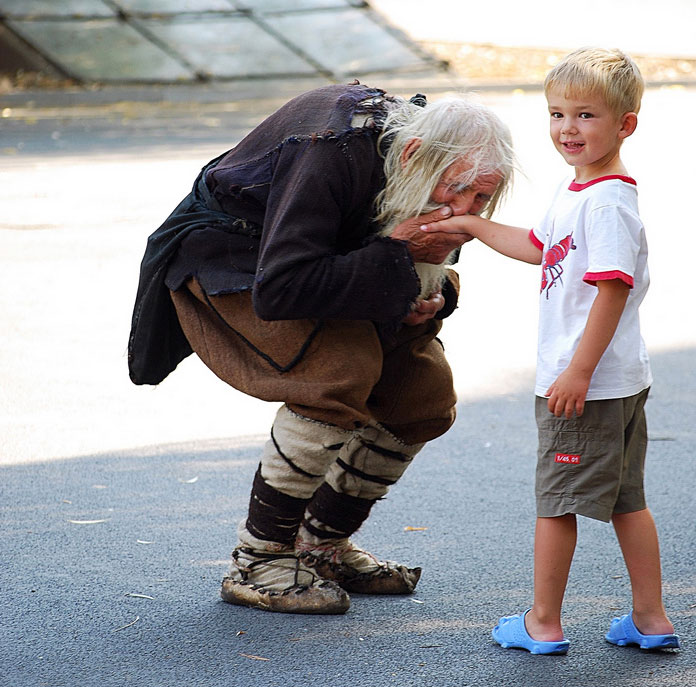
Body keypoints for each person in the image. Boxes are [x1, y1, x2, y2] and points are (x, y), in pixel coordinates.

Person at [128, 82, 515, 614]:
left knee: (422, 395)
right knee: (337, 372)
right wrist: (396, 264)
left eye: (481, 198)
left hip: (325, 263)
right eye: (458, 190)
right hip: (236, 258)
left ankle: (322, 547)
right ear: (413, 155)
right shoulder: (331, 147)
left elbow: (411, 251)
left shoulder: (423, 161)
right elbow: (283, 287)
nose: (465, 213)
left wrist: (433, 293)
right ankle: (258, 561)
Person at [421, 48, 680, 653]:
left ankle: (543, 622)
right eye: (557, 113)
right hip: (613, 382)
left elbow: (611, 288)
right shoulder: (580, 191)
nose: (568, 128)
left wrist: (577, 372)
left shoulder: (608, 201)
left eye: (586, 115)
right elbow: (541, 247)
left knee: (556, 504)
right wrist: (472, 228)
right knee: (625, 501)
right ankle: (650, 619)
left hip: (587, 383)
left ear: (626, 125)